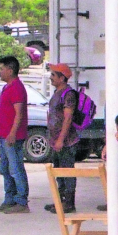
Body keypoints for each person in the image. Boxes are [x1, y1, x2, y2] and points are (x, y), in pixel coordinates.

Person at [0, 55, 30, 214]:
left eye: (2, 69)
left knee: (15, 168)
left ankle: (21, 200)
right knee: (6, 168)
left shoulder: (16, 88)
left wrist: (13, 133)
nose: (0, 72)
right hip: (3, 135)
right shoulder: (7, 87)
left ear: (10, 70)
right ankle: (9, 198)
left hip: (11, 136)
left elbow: (19, 113)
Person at [45, 63, 80, 213]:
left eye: (54, 75)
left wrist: (60, 139)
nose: (51, 77)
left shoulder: (68, 94)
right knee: (59, 171)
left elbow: (68, 118)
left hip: (66, 141)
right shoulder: (57, 92)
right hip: (56, 141)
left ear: (62, 78)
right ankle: (60, 201)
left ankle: (69, 203)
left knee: (67, 172)